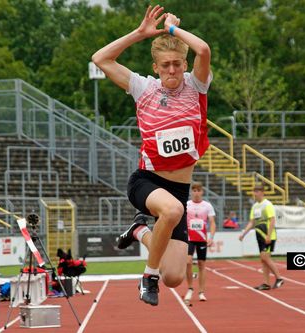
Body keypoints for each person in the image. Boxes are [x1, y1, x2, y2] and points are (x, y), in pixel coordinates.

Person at [92, 4, 211, 306]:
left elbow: (203, 48)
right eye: (165, 65)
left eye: (177, 63)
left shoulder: (196, 87)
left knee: (175, 277)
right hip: (146, 183)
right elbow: (100, 58)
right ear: (156, 67)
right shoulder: (143, 88)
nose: (172, 70)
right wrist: (140, 33)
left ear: (185, 64)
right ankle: (148, 277)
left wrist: (171, 29)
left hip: (179, 190)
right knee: (170, 212)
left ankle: (139, 230)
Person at [239, 184, 284, 290]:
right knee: (263, 259)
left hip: (268, 235)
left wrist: (268, 235)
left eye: (257, 191)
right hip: (259, 235)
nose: (255, 193)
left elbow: (272, 220)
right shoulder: (255, 206)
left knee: (265, 257)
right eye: (254, 191)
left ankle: (279, 278)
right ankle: (266, 283)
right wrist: (243, 234)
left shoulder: (267, 204)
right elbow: (252, 222)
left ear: (262, 192)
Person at [183, 182, 216, 304]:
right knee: (188, 261)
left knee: (202, 265)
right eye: (194, 190)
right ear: (191, 192)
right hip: (189, 238)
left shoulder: (207, 206)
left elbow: (212, 222)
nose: (196, 193)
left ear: (202, 192)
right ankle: (190, 288)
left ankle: (201, 292)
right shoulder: (187, 205)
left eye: (198, 190)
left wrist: (211, 237)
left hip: (202, 238)